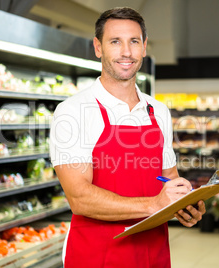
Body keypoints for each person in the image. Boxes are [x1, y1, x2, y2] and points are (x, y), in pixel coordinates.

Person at [50, 7, 206, 268]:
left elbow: (167, 178)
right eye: (115, 42)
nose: (126, 52)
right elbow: (79, 198)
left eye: (134, 41)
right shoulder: (73, 110)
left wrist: (184, 202)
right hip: (98, 255)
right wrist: (154, 204)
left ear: (144, 47)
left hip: (153, 252)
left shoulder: (159, 112)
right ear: (98, 47)